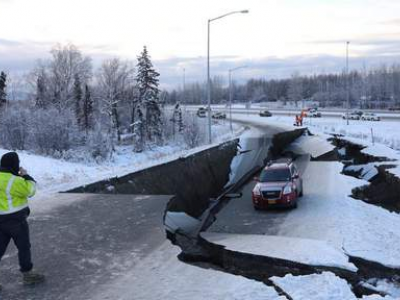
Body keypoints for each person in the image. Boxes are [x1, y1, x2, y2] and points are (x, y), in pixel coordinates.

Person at [0, 152, 45, 286]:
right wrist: (25, 175)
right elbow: (30, 190)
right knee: (24, 247)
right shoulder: (15, 181)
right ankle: (28, 275)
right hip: (16, 221)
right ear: (15, 164)